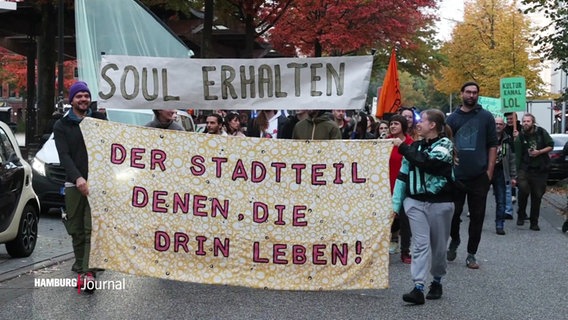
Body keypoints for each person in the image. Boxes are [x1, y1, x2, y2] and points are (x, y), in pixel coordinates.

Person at [392, 109, 455, 305]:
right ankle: (418, 287)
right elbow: (402, 177)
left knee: (438, 247)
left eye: (422, 120)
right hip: (415, 201)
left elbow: (430, 163)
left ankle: (436, 280)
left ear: (432, 125)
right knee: (419, 244)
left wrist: (404, 148)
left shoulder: (445, 145)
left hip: (440, 203)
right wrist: (395, 205)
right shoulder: (415, 147)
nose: (418, 124)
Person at [446, 81, 497, 270]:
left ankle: (471, 254)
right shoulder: (452, 119)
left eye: (475, 92)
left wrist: (489, 172)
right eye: (468, 92)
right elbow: (445, 144)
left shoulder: (486, 117)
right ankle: (455, 239)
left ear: (478, 95)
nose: (471, 95)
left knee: (477, 216)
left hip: (479, 176)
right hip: (456, 176)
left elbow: (493, 144)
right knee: (452, 213)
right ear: (461, 94)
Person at [53, 81, 97, 293]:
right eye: (79, 96)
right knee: (77, 229)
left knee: (90, 229)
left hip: (97, 184)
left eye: (86, 96)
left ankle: (87, 272)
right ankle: (81, 264)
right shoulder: (62, 126)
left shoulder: (99, 121)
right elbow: (64, 155)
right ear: (72, 100)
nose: (83, 99)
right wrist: (78, 178)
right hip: (74, 183)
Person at [514, 113, 553, 231]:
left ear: (533, 122)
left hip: (540, 169)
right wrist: (515, 173)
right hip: (525, 169)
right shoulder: (520, 136)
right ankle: (521, 214)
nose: (526, 123)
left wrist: (539, 152)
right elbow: (517, 156)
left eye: (528, 121)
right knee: (523, 191)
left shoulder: (541, 133)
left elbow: (551, 145)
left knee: (537, 196)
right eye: (524, 121)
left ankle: (534, 222)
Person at [387, 114, 414, 263]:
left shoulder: (410, 143)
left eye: (396, 124)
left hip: (404, 186)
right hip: (387, 185)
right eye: (391, 124)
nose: (392, 126)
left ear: (403, 126)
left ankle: (405, 251)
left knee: (405, 219)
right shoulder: (385, 143)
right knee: (388, 219)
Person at [491, 117, 517, 235]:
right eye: (496, 124)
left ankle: (499, 224)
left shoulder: (508, 140)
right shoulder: (487, 137)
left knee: (501, 199)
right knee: (479, 198)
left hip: (501, 171)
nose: (498, 126)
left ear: (504, 126)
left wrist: (513, 176)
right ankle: (477, 221)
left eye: (500, 124)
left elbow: (512, 159)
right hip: (487, 171)